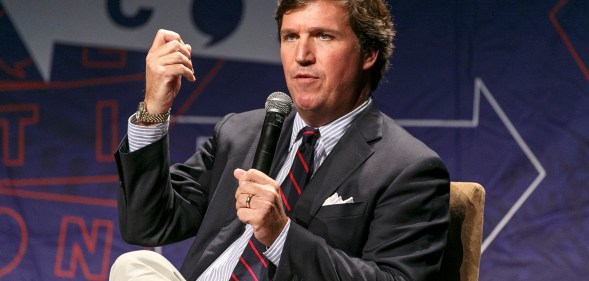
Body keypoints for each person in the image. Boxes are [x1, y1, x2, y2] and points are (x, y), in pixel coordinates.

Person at [110, 0, 450, 280]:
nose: (302, 54)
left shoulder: (407, 168)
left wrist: (281, 235)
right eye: (290, 37)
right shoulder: (241, 133)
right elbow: (148, 224)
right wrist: (154, 109)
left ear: (368, 54)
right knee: (134, 267)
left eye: (323, 36)